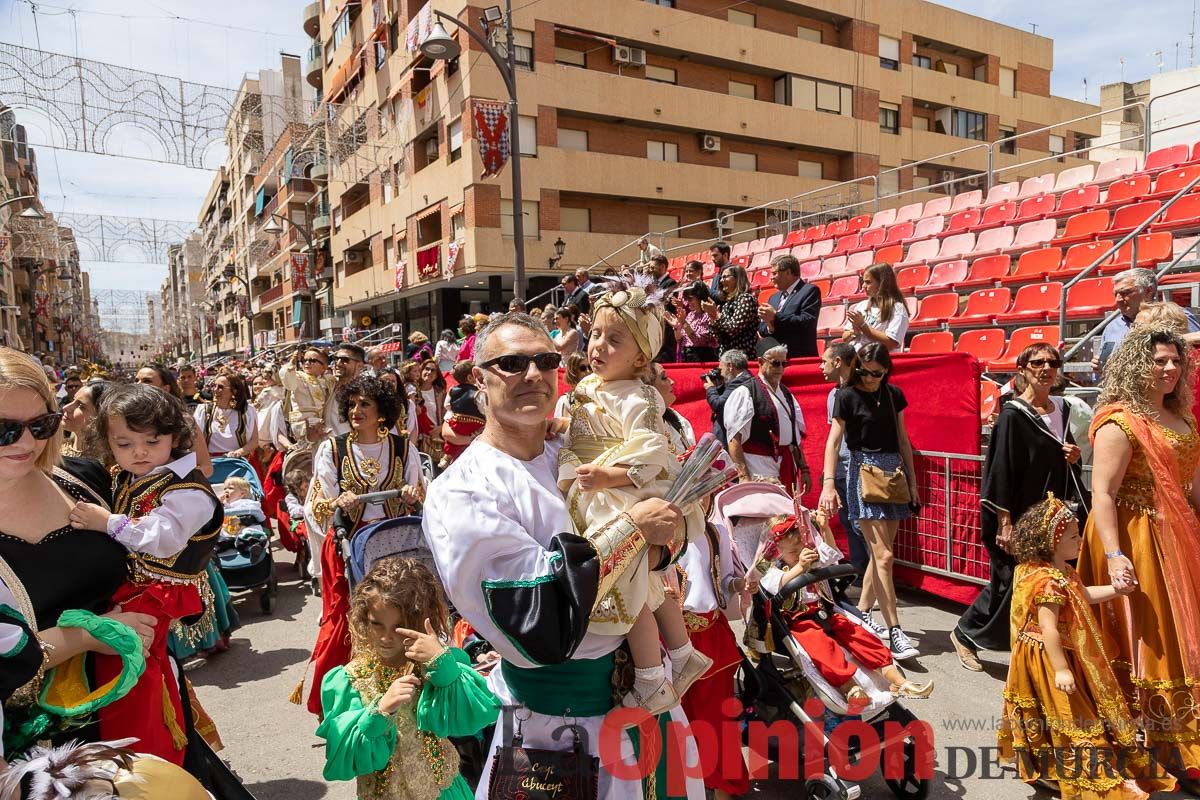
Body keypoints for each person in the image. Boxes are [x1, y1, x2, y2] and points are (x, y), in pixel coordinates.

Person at [422, 313, 704, 799]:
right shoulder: (463, 490)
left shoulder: (578, 450)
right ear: (477, 378)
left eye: (545, 361)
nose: (532, 375)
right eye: (511, 363)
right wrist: (634, 530)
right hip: (555, 733)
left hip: (648, 704)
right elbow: (538, 616)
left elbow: (668, 533)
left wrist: (658, 545)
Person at [558, 288, 709, 713]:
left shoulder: (639, 396)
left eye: (614, 340)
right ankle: (681, 655)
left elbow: (651, 450)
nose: (597, 347)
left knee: (631, 590)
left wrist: (610, 474)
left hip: (626, 493)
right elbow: (579, 429)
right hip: (600, 493)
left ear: (641, 359)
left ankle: (651, 679)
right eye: (595, 336)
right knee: (643, 584)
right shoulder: (589, 386)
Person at [67, 383, 223, 764]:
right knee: (141, 674)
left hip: (157, 594)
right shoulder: (130, 476)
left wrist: (108, 523)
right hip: (138, 590)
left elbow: (164, 538)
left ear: (174, 437)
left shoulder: (188, 490)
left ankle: (144, 756)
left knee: (129, 674)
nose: (138, 452)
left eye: (151, 441)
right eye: (124, 444)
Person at [1076, 325, 1200, 780]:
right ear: (1135, 364)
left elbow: (1193, 486)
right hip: (1133, 536)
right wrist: (1114, 555)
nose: (1170, 369)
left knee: (1183, 634)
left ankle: (1179, 736)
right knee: (1150, 636)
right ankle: (1149, 740)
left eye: (1176, 361)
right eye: (1160, 360)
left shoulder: (1183, 420)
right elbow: (1103, 493)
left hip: (1178, 536)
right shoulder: (1120, 422)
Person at [998, 494, 1163, 800]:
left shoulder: (1063, 571)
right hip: (1048, 658)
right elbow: (1048, 628)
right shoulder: (1046, 580)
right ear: (1049, 542)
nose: (1079, 541)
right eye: (1073, 536)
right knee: (1066, 714)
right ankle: (1072, 769)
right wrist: (1061, 669)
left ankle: (1054, 766)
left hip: (1064, 653)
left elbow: (1083, 594)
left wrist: (1117, 590)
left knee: (1060, 714)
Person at [952, 344, 1089, 672]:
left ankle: (1040, 651)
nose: (1046, 368)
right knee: (1009, 583)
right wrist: (1004, 522)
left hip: (1051, 514)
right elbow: (1000, 469)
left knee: (1042, 582)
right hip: (1016, 514)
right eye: (1037, 362)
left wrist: (1074, 455)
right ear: (1023, 370)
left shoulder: (1062, 409)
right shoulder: (1014, 415)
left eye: (1052, 362)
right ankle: (965, 634)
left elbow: (1062, 455)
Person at [316, 556, 499, 800]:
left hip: (444, 792)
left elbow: (476, 716)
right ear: (363, 616)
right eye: (377, 624)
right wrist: (379, 712)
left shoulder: (437, 663)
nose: (386, 637)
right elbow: (344, 757)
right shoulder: (349, 680)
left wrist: (442, 666)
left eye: (399, 626)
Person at [300, 376, 424, 715]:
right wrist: (338, 502)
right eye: (351, 404)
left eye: (365, 404)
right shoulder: (333, 449)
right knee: (348, 620)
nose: (356, 410)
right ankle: (347, 697)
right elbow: (315, 505)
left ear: (382, 412)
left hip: (396, 545)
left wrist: (413, 494)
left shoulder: (403, 447)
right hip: (348, 545)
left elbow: (422, 493)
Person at [759, 513, 932, 703]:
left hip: (826, 612)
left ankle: (897, 681)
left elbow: (831, 553)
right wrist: (799, 568)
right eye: (793, 552)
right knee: (822, 648)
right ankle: (850, 687)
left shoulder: (810, 558)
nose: (799, 553)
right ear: (777, 552)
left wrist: (825, 529)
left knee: (860, 636)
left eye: (801, 547)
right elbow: (776, 585)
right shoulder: (774, 571)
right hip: (799, 620)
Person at [819, 343, 921, 660]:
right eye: (866, 372)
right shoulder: (846, 396)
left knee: (881, 558)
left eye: (879, 373)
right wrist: (828, 484)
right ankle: (895, 630)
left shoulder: (893, 395)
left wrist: (914, 483)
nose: (872, 379)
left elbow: (903, 439)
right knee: (885, 557)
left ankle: (863, 610)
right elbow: (833, 441)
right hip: (863, 474)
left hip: (892, 474)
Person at [673, 492, 751, 800]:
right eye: (696, 490)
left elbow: (724, 581)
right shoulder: (664, 530)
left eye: (707, 492)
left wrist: (741, 584)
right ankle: (682, 783)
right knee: (677, 717)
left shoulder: (715, 531)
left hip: (709, 632)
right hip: (671, 634)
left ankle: (722, 786)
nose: (701, 499)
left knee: (715, 718)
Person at [724, 342, 810, 493]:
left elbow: (794, 439)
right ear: (760, 362)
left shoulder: (787, 394)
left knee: (789, 514)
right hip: (758, 467)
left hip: (786, 467)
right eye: (776, 363)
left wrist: (804, 469)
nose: (781, 369)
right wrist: (743, 476)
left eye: (784, 363)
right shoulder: (745, 392)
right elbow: (734, 439)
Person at [820, 343, 868, 577]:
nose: (821, 367)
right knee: (849, 522)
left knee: (862, 525)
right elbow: (834, 439)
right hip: (841, 469)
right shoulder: (833, 394)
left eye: (825, 361)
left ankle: (874, 578)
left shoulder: (862, 391)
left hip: (860, 469)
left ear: (837, 362)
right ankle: (861, 571)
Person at [1093, 268, 1200, 372]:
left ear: (1148, 291)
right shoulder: (1112, 327)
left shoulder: (1173, 315)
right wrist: (1100, 365)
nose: (1118, 299)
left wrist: (1167, 340)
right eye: (1115, 294)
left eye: (1125, 292)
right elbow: (1104, 366)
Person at [758, 253, 821, 358]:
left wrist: (775, 316)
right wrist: (770, 326)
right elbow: (762, 328)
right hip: (776, 360)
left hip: (799, 357)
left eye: (774, 273)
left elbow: (807, 321)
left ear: (788, 272)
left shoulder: (809, 291)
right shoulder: (773, 298)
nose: (771, 278)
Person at [843, 263, 910, 353]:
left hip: (877, 362)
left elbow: (891, 343)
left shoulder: (897, 308)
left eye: (868, 282)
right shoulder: (861, 305)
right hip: (856, 358)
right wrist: (853, 332)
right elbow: (845, 337)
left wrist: (863, 326)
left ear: (882, 283)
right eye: (863, 282)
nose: (863, 286)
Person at [280, 347, 335, 447]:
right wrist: (291, 363)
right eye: (305, 360)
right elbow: (288, 381)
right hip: (304, 425)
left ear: (324, 367)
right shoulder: (298, 377)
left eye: (312, 360)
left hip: (323, 424)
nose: (307, 363)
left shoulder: (328, 381)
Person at [195, 373, 258, 458]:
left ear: (234, 391)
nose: (215, 389)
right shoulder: (203, 410)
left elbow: (254, 441)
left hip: (237, 463)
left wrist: (238, 453)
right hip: (211, 463)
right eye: (214, 386)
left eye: (220, 387)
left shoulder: (247, 411)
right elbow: (195, 439)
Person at [705, 265, 758, 360]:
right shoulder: (727, 303)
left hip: (742, 358)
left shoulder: (746, 299)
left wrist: (717, 315)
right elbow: (720, 338)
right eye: (721, 277)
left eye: (725, 277)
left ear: (737, 279)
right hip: (726, 357)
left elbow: (733, 329)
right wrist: (713, 318)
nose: (721, 281)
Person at [704, 348, 753, 446]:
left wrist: (710, 388)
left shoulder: (740, 381)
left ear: (730, 366)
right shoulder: (746, 378)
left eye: (721, 368)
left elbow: (718, 405)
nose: (720, 373)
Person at [440, 360, 484, 466]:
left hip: (456, 421)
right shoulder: (477, 393)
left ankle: (447, 456)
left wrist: (456, 410)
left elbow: (447, 405)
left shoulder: (452, 390)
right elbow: (484, 409)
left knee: (454, 441)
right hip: (475, 423)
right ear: (470, 377)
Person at [668, 282, 719, 363]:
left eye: (690, 299)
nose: (688, 302)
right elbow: (679, 339)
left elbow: (698, 340)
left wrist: (684, 323)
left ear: (700, 297)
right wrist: (676, 327)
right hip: (686, 356)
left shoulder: (708, 315)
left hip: (702, 359)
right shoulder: (690, 315)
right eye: (686, 299)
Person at [326, 344, 368, 437]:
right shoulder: (328, 386)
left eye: (345, 360)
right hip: (327, 447)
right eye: (336, 359)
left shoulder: (365, 393)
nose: (338, 363)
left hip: (350, 447)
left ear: (359, 365)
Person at [61, 379, 108, 458]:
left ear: (101, 417)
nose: (66, 407)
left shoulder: (112, 467)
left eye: (80, 405)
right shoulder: (54, 451)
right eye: (73, 400)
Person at [553, 351, 591, 419]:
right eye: (583, 368)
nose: (588, 371)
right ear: (574, 371)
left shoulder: (599, 396)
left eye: (590, 367)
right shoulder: (565, 401)